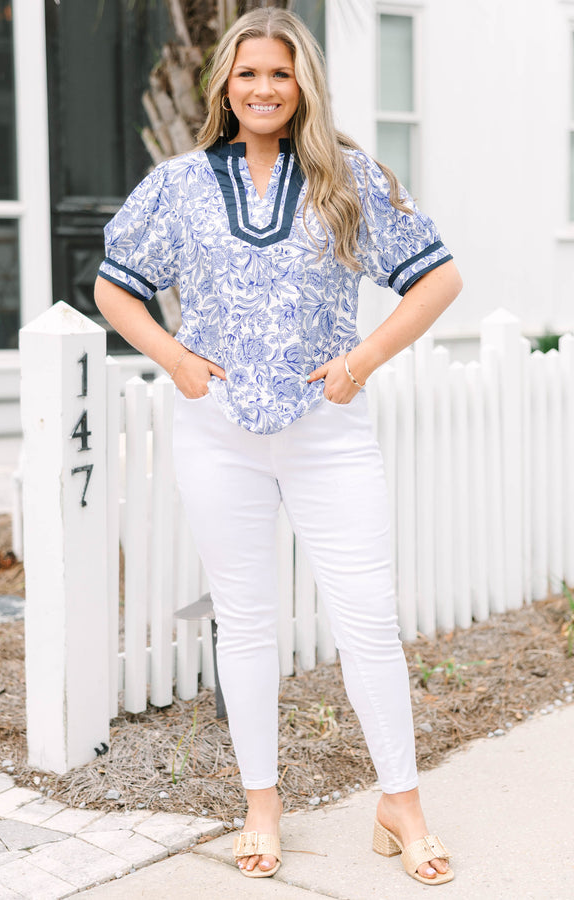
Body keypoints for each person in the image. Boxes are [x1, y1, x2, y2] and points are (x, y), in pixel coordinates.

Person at [94, 7, 462, 886]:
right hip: (216, 434)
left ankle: (400, 803)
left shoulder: (347, 178)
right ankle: (261, 802)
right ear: (225, 82)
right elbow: (116, 290)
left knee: (368, 618)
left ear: (305, 87)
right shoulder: (179, 185)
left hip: (327, 435)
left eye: (281, 74)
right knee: (248, 622)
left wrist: (361, 362)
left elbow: (438, 279)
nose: (263, 88)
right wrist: (177, 360)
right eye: (248, 73)